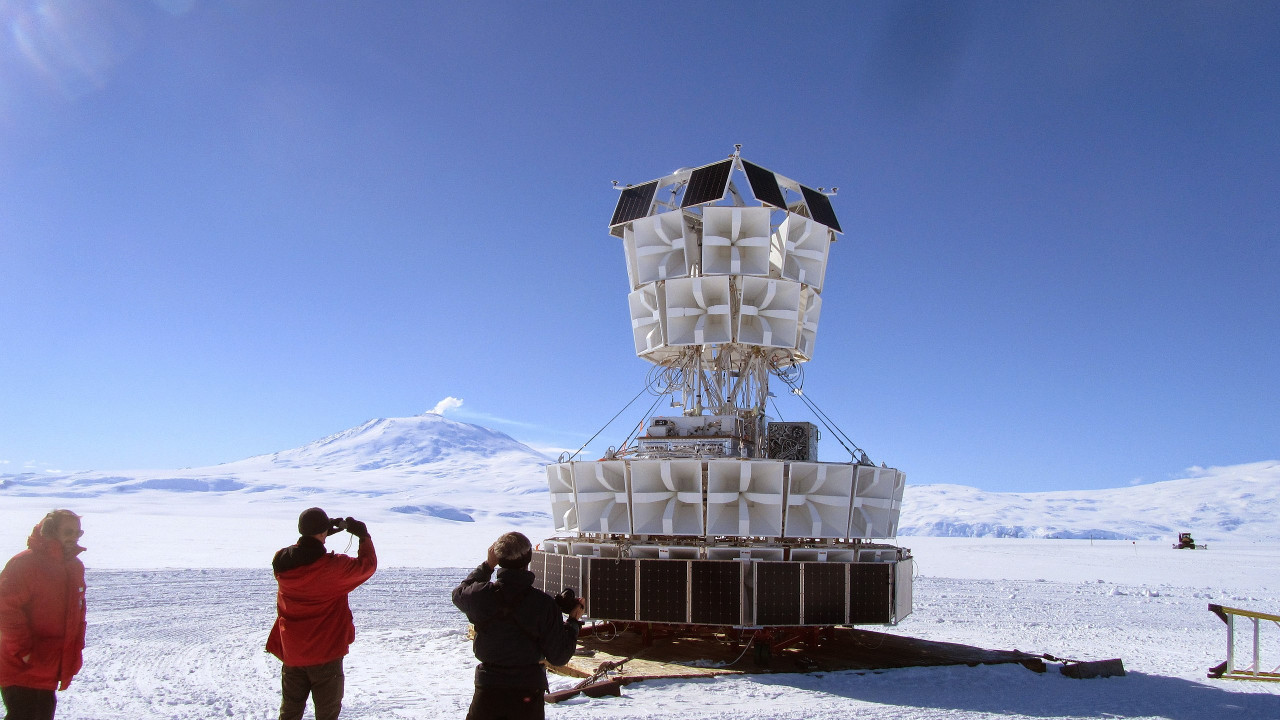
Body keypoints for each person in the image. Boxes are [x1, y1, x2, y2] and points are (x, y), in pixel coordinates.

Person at [452, 532, 584, 720]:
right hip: (527, 695)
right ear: (528, 559)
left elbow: (459, 594)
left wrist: (487, 565)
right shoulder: (544, 605)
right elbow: (559, 656)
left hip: (488, 692)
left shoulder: (480, 596)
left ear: (498, 558)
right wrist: (573, 622)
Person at [266, 507, 376, 720]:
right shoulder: (333, 568)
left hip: (293, 652)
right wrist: (363, 536)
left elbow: (300, 552)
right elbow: (367, 566)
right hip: (326, 655)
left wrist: (318, 535)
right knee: (327, 714)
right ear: (323, 531)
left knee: (290, 712)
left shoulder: (281, 562)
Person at [0, 510, 87, 720]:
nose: (74, 537)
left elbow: (77, 614)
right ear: (51, 531)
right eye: (68, 532)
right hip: (21, 667)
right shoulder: (25, 564)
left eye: (78, 533)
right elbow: (5, 609)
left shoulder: (74, 567)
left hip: (48, 666)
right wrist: (24, 651)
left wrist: (74, 653)